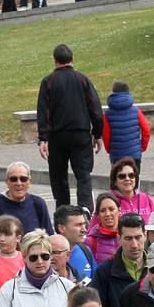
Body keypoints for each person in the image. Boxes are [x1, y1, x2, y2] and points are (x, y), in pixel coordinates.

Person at [35, 44, 102, 208]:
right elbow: (95, 109)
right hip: (81, 134)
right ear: (72, 58)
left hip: (57, 136)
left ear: (54, 60)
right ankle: (85, 209)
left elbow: (43, 111)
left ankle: (62, 211)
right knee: (83, 175)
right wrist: (97, 133)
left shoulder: (48, 82)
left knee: (59, 177)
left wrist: (43, 138)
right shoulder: (82, 79)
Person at [0, 163, 52, 255]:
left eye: (23, 179)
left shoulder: (38, 204)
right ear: (7, 182)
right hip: (5, 259)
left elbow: (49, 237)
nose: (19, 183)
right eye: (13, 179)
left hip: (34, 259)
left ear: (30, 182)